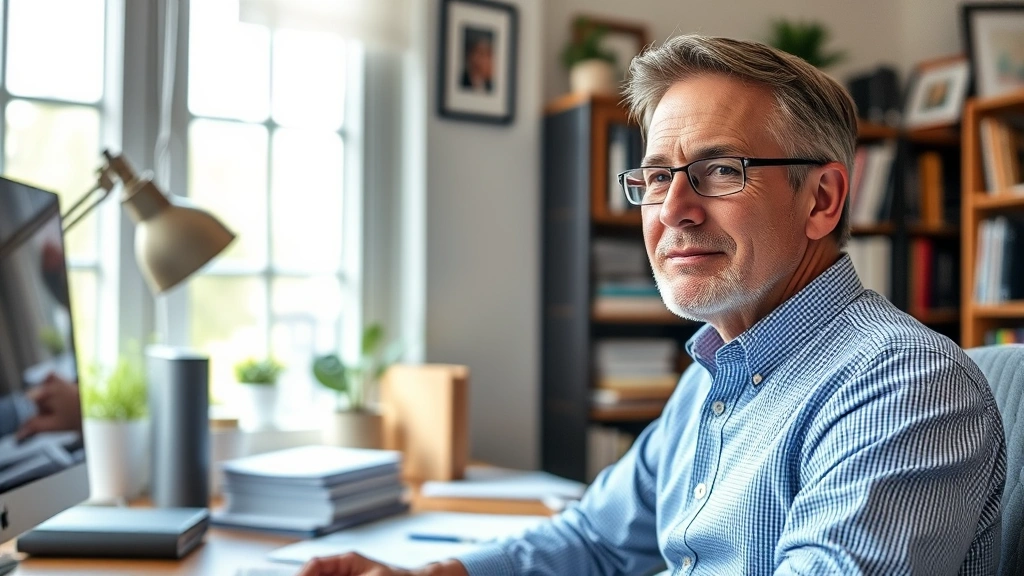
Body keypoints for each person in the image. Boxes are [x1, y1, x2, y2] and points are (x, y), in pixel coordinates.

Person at [297, 34, 1006, 575]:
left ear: (821, 200)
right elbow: (597, 538)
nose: (674, 211)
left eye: (719, 171)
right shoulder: (717, 373)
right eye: (657, 176)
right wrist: (439, 574)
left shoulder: (904, 385)